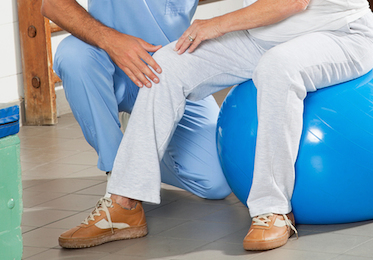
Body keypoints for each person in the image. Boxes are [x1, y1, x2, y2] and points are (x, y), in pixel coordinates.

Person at [54, 0, 373, 251]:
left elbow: (292, 2)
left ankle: (273, 211)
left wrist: (217, 24)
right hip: (266, 35)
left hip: (339, 32)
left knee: (276, 68)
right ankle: (123, 205)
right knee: (168, 64)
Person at [40, 0, 232, 248]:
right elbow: (52, 5)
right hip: (108, 61)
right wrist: (112, 41)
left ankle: (136, 149)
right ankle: (120, 191)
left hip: (170, 72)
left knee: (216, 184)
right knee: (73, 55)